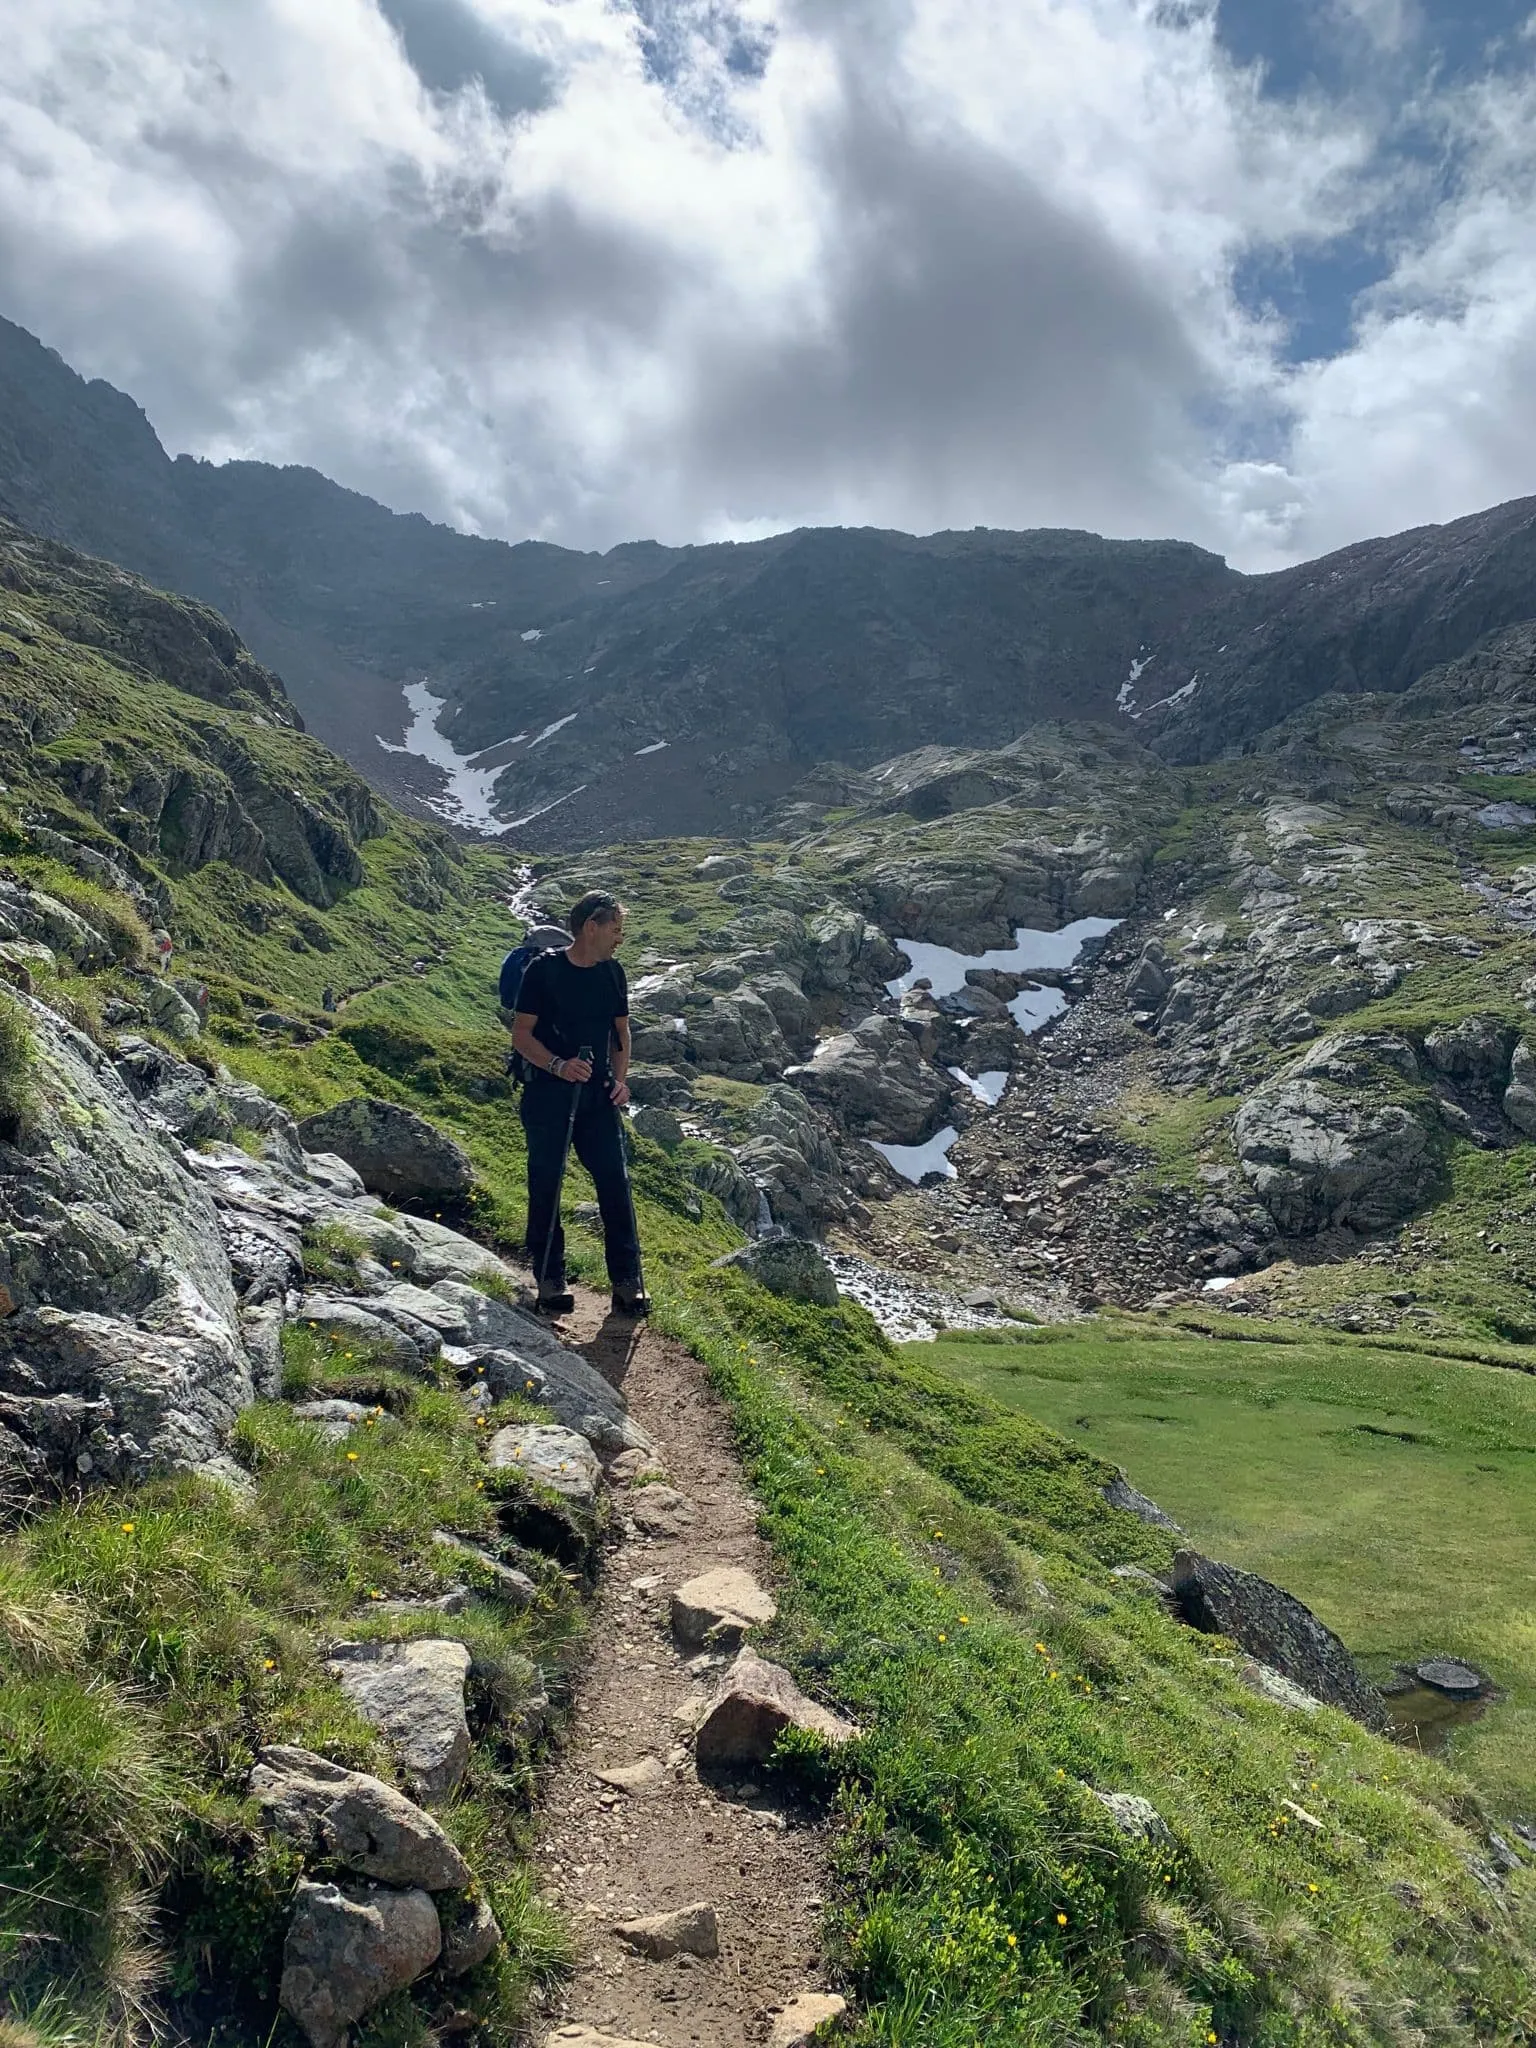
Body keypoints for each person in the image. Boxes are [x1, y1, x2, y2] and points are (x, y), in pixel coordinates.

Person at [511, 890, 648, 1317]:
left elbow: (621, 1036)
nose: (619, 939)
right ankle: (551, 1279)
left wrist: (621, 1083)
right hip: (549, 1094)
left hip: (599, 1095)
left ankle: (627, 1282)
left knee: (615, 1184)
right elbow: (521, 1036)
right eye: (615, 929)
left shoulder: (613, 973)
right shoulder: (542, 971)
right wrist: (558, 1065)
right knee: (547, 1182)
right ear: (591, 927)